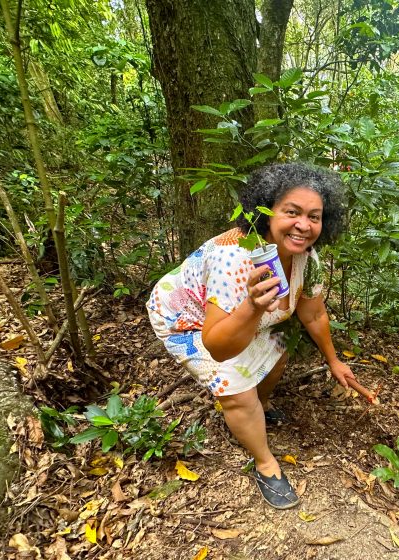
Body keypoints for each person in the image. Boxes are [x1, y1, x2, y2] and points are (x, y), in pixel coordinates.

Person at [147, 162, 355, 509]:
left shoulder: (306, 255)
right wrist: (253, 307)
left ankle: (263, 406)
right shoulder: (236, 258)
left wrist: (334, 360)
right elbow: (217, 348)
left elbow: (313, 311)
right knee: (236, 390)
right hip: (186, 318)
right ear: (267, 211)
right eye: (292, 212)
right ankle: (265, 463)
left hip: (242, 314)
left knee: (280, 347)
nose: (303, 225)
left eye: (314, 216)